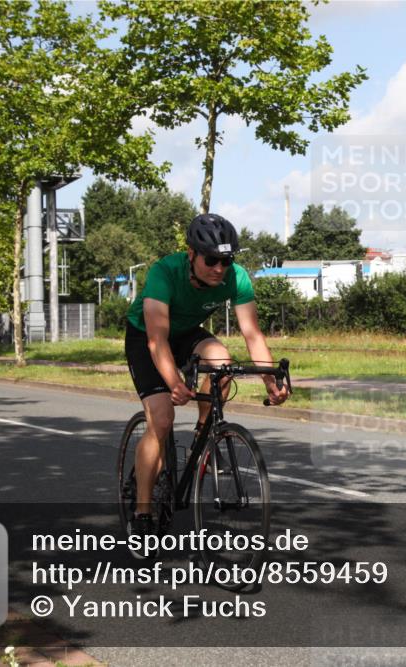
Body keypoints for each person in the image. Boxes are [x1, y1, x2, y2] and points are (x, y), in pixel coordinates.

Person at [123, 213, 289, 550]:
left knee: (223, 363)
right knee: (163, 419)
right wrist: (173, 381)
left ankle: (204, 435)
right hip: (146, 338)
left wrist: (269, 379)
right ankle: (142, 513)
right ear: (191, 255)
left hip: (187, 335)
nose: (219, 268)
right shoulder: (164, 273)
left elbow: (252, 334)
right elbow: (157, 340)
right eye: (211, 260)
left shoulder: (236, 278)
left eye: (226, 260)